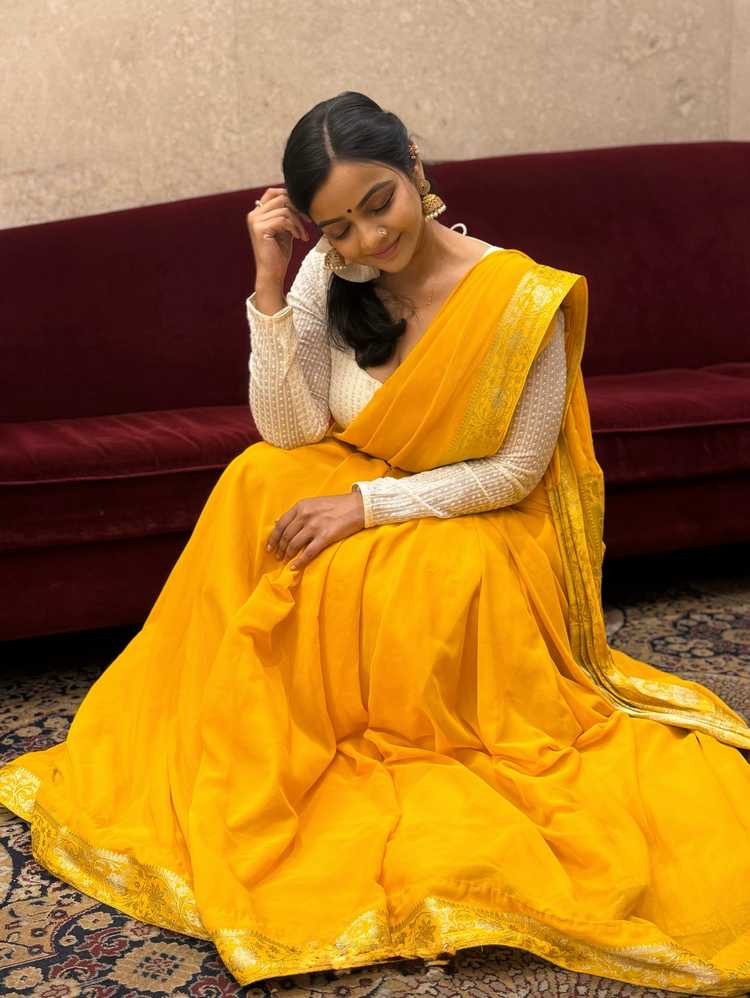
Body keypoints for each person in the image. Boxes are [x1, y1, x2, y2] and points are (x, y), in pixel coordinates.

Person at [1, 91, 750, 994]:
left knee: (364, 560)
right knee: (255, 479)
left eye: (378, 203)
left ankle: (350, 743)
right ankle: (264, 744)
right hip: (361, 480)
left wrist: (368, 506)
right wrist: (272, 286)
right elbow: (289, 430)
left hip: (475, 522)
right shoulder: (332, 272)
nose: (368, 238)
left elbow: (515, 474)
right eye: (338, 226)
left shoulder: (521, 299)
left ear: (415, 167)